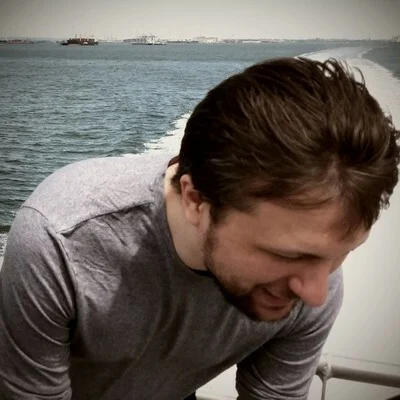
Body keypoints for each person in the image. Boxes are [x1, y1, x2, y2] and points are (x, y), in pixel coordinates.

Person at [0, 57, 398, 400]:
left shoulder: (313, 279)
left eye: (340, 254)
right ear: (195, 199)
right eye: (286, 255)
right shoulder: (62, 238)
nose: (316, 294)